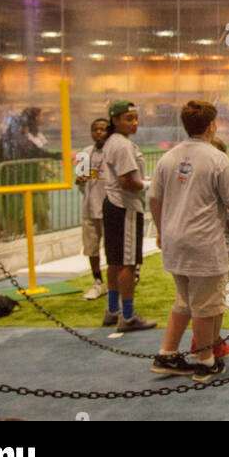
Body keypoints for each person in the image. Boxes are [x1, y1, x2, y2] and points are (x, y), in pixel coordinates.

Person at [149, 101, 229, 382]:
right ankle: (205, 360)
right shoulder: (218, 159)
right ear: (211, 125)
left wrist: (161, 230)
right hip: (204, 243)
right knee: (207, 304)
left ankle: (167, 352)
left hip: (174, 241)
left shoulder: (167, 158)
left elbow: (155, 200)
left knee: (184, 300)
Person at [186, 136, 229, 363]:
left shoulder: (194, 183)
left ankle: (207, 341)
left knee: (206, 299)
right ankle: (208, 344)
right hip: (220, 250)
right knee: (218, 300)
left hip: (197, 248)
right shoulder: (221, 183)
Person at [100, 100, 156, 332]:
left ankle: (113, 310)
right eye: (128, 118)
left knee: (115, 261)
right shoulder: (121, 145)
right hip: (125, 207)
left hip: (114, 205)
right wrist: (150, 184)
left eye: (135, 118)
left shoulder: (115, 142)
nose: (134, 123)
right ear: (115, 120)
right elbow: (127, 182)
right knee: (128, 262)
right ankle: (128, 315)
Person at [0, 107, 55, 238]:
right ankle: (14, 238)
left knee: (39, 214)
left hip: (32, 184)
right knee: (16, 218)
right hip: (14, 187)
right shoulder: (7, 143)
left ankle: (41, 237)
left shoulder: (30, 139)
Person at [75, 118, 109, 300]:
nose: (98, 132)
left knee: (112, 250)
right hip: (90, 209)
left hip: (111, 210)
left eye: (103, 129)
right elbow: (79, 182)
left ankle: (117, 283)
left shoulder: (115, 153)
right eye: (95, 129)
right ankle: (98, 282)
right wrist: (79, 180)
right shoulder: (85, 154)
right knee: (91, 248)